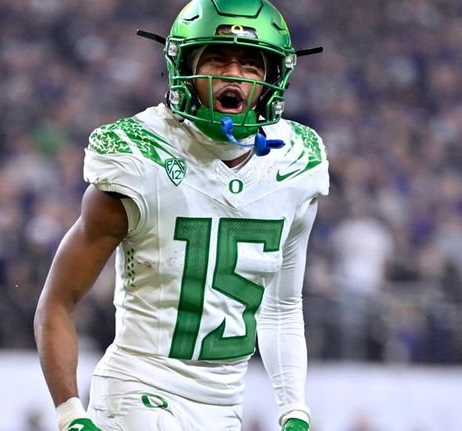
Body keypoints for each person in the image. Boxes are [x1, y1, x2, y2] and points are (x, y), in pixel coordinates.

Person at [34, 1, 328, 430]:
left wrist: (294, 409)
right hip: (139, 390)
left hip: (226, 403)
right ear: (183, 66)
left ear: (272, 78)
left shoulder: (296, 165)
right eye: (216, 58)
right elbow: (58, 300)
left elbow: (281, 306)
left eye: (250, 63)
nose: (233, 75)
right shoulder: (141, 155)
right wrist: (69, 413)